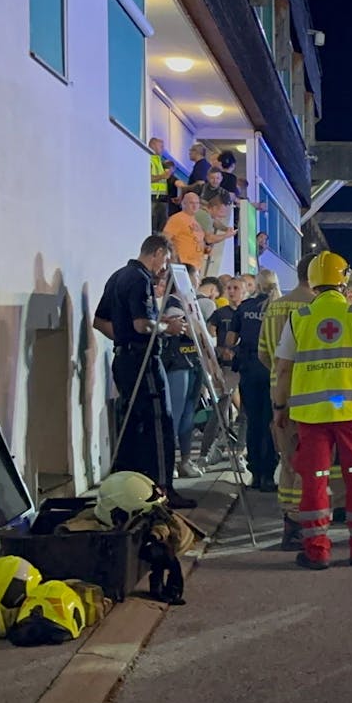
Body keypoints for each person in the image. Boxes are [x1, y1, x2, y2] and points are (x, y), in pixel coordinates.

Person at [269, 251, 352, 570]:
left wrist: (279, 407)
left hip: (311, 414)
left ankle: (317, 551)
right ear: (343, 279)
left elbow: (283, 369)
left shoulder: (300, 318)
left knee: (315, 479)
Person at [93, 235, 194, 509]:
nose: (164, 269)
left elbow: (100, 321)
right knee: (160, 421)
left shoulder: (118, 276)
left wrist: (124, 338)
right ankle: (163, 488)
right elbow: (141, 325)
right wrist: (166, 328)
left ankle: (128, 485)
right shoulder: (140, 279)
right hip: (142, 361)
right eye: (165, 262)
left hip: (123, 359)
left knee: (132, 422)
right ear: (157, 252)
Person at [259, 252, 335, 551]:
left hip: (280, 395)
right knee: (315, 462)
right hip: (314, 396)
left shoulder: (275, 307)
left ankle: (290, 524)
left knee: (289, 462)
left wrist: (280, 378)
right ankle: (312, 523)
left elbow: (264, 353)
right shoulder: (317, 309)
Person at [235, 270, 278, 492]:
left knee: (253, 422)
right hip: (273, 371)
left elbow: (231, 339)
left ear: (257, 286)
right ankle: (269, 475)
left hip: (250, 370)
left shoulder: (244, 308)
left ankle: (256, 474)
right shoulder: (279, 308)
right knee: (271, 423)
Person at [158, 275, 203, 479]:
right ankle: (171, 462)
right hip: (178, 364)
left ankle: (185, 459)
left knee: (187, 415)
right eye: (194, 277)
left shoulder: (190, 303)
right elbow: (192, 330)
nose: (197, 281)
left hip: (193, 362)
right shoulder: (173, 305)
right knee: (175, 415)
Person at [163, 191, 207, 279]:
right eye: (191, 203)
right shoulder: (177, 218)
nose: (194, 206)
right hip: (182, 265)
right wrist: (174, 256)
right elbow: (165, 239)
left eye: (197, 203)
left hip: (195, 267)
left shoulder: (195, 221)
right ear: (183, 204)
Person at [148, 138, 172, 232]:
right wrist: (162, 176)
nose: (163, 149)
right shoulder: (149, 159)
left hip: (162, 199)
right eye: (161, 146)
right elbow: (147, 178)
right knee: (153, 227)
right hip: (153, 199)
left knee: (162, 229)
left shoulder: (159, 161)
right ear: (153, 145)